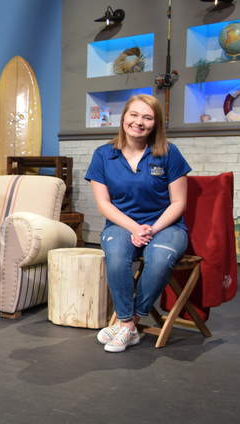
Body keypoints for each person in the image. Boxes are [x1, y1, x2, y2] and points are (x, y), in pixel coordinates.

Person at [85, 94, 190, 353]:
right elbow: (104, 204)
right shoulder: (103, 155)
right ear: (124, 118)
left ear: (156, 123)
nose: (139, 122)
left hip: (166, 225)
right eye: (133, 115)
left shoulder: (169, 153)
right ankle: (126, 323)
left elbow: (178, 202)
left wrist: (152, 229)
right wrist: (134, 228)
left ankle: (129, 322)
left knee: (160, 258)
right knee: (116, 255)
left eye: (147, 117)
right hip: (121, 224)